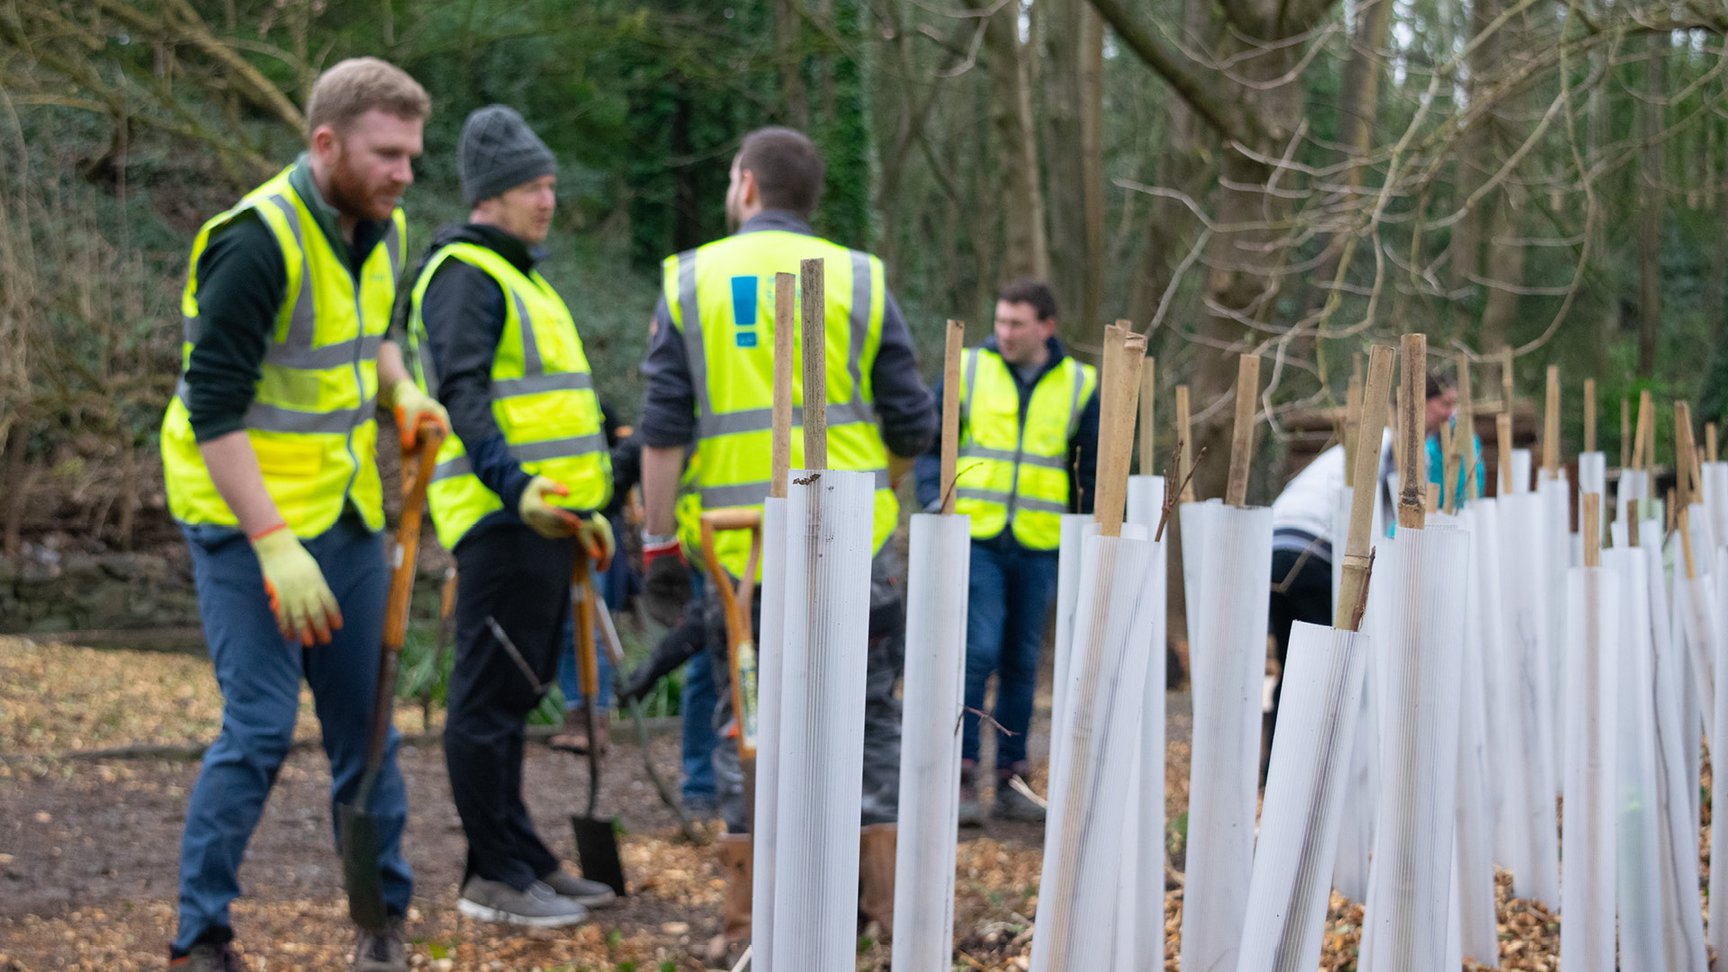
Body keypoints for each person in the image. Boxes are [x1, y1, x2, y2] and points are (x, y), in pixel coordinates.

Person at [159, 58, 441, 972]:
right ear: (326, 144)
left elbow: (381, 337)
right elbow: (213, 413)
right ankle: (202, 936)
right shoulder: (254, 243)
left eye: (413, 155)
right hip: (251, 527)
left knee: (367, 731)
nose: (405, 173)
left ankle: (380, 924)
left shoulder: (386, 228)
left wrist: (404, 395)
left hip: (348, 512)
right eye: (387, 153)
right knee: (262, 729)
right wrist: (275, 544)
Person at [636, 126, 936, 961]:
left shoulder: (691, 281)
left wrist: (658, 541)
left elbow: (663, 428)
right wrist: (887, 492)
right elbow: (912, 422)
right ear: (811, 197)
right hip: (854, 549)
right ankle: (875, 923)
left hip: (742, 557)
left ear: (743, 186)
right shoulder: (863, 281)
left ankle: (753, 928)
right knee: (870, 718)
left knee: (752, 725)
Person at [404, 105, 616, 927]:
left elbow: (557, 408)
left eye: (552, 183)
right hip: (501, 521)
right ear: (490, 195)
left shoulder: (521, 274)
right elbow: (464, 395)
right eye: (534, 185)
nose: (549, 199)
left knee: (514, 698)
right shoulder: (467, 275)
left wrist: (587, 503)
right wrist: (516, 486)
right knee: (487, 706)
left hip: (547, 525)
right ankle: (491, 877)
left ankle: (521, 856)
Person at [913, 280, 1098, 827]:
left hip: (1041, 543)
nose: (1005, 333)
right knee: (978, 649)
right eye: (1000, 321)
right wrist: (932, 496)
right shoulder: (967, 369)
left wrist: (1085, 535)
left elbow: (1088, 470)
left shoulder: (1081, 384)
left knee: (1022, 663)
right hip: (978, 534)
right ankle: (963, 776)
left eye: (1017, 323)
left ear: (1047, 326)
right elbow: (931, 441)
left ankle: (1011, 779)